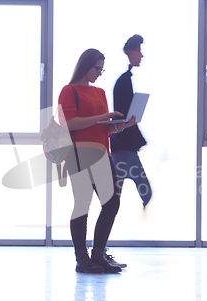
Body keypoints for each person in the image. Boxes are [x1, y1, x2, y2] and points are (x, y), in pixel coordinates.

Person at [58, 48, 136, 273]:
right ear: (85, 66)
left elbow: (102, 128)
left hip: (102, 154)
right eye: (97, 68)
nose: (100, 73)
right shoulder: (69, 91)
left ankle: (99, 254)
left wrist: (122, 125)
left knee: (111, 203)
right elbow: (70, 123)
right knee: (82, 204)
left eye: (102, 69)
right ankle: (82, 259)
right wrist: (102, 117)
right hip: (78, 153)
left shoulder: (100, 92)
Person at [110, 34, 152, 210]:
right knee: (143, 192)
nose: (141, 55)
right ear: (130, 52)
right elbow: (125, 116)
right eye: (139, 51)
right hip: (124, 146)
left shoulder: (125, 80)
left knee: (115, 196)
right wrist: (138, 139)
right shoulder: (124, 81)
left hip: (123, 145)